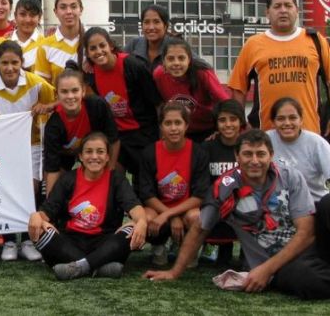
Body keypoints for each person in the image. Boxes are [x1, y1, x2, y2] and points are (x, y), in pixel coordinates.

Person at [144, 130, 330, 300]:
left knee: (327, 203)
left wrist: (266, 270)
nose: (255, 160)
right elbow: (200, 229)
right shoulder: (225, 187)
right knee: (307, 280)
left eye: (261, 154)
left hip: (310, 249)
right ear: (237, 157)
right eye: (248, 154)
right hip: (282, 265)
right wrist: (174, 272)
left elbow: (306, 232)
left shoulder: (290, 176)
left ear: (271, 156)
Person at [0, 40, 55, 262]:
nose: (10, 68)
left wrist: (45, 107)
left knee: (32, 190)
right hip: (1, 146)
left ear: (22, 62)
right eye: (4, 63)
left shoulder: (36, 83)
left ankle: (29, 239)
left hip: (33, 144)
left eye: (15, 63)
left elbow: (57, 100)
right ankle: (9, 240)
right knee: (7, 190)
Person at [29, 132, 147, 280]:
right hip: (71, 241)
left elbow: (135, 207)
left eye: (100, 152)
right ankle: (101, 267)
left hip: (104, 241)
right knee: (39, 229)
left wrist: (142, 221)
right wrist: (35, 217)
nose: (94, 157)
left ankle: (79, 267)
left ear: (107, 157)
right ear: (81, 156)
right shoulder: (68, 179)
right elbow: (47, 211)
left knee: (133, 228)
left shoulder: (116, 179)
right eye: (89, 151)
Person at [228, 0, 330, 134]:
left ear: (297, 10)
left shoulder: (316, 40)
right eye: (277, 6)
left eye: (288, 6)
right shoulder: (253, 44)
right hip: (266, 135)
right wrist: (241, 124)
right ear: (267, 13)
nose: (283, 10)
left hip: (310, 131)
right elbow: (238, 89)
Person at [83, 27, 161, 181]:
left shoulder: (133, 65)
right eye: (93, 48)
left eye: (102, 45)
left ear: (110, 45)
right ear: (87, 53)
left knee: (144, 183)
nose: (98, 51)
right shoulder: (90, 74)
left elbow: (157, 102)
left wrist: (161, 135)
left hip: (143, 133)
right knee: (113, 178)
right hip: (117, 136)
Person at [139, 102, 210, 267]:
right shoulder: (149, 152)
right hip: (159, 208)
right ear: (161, 126)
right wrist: (170, 216)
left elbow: (199, 196)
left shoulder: (198, 153)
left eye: (178, 123)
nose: (173, 128)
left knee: (195, 216)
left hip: (186, 209)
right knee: (146, 216)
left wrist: (171, 215)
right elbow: (147, 195)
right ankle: (158, 247)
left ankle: (188, 249)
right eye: (168, 123)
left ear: (186, 125)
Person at [43, 68, 119, 194]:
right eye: (64, 92)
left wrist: (110, 169)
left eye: (75, 90)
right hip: (66, 155)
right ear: (57, 94)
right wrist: (49, 204)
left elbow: (114, 140)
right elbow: (52, 168)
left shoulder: (97, 106)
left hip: (97, 151)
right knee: (57, 183)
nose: (70, 96)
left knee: (115, 174)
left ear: (83, 91)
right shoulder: (53, 126)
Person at [153, 37, 230, 142]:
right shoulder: (158, 75)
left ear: (189, 60)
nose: (176, 63)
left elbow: (226, 102)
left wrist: (220, 129)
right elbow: (158, 104)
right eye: (170, 59)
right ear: (163, 61)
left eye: (181, 58)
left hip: (207, 130)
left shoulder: (203, 73)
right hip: (178, 132)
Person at [201, 99, 246, 264]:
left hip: (242, 204)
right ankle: (212, 245)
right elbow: (202, 183)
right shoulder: (207, 147)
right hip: (216, 203)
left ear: (241, 121)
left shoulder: (249, 146)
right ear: (216, 123)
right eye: (222, 120)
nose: (228, 124)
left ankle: (247, 249)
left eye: (233, 119)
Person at [267, 97, 330, 205]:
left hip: (313, 203)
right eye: (281, 118)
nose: (287, 123)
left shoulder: (317, 143)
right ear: (273, 122)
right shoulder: (265, 141)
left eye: (292, 118)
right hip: (276, 205)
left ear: (301, 120)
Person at [34, 0, 85, 84]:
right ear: (55, 12)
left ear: (81, 10)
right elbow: (44, 88)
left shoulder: (91, 41)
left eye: (73, 7)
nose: (69, 11)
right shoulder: (45, 46)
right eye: (63, 7)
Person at [0, 0, 44, 71]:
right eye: (23, 14)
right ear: (15, 15)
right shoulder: (0, 43)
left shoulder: (46, 44)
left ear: (39, 17)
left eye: (32, 15)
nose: (27, 20)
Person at [124, 4, 179, 70]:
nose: (151, 27)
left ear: (166, 26)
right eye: (146, 22)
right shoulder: (134, 45)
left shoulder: (177, 45)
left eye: (156, 22)